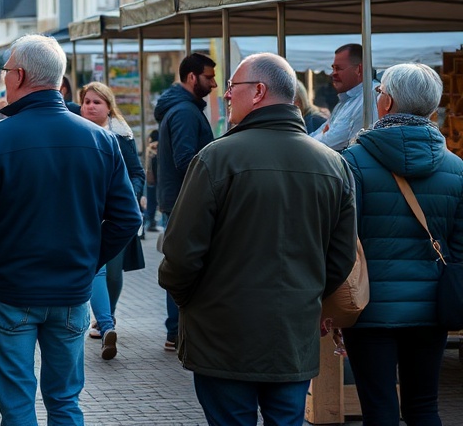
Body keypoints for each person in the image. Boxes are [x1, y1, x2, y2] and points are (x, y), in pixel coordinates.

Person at [159, 53, 357, 426]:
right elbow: (341, 256)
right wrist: (308, 296)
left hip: (222, 334)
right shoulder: (334, 165)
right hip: (292, 334)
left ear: (259, 92)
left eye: (233, 88)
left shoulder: (215, 159)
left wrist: (191, 301)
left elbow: (180, 255)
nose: (227, 95)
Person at [0, 35, 142, 425]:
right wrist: (88, 261)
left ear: (20, 75)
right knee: (64, 401)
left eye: (6, 70)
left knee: (18, 404)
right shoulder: (101, 140)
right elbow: (128, 218)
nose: (3, 78)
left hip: (9, 290)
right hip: (71, 290)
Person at [341, 63, 463, 425]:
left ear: (388, 102)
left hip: (369, 309)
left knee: (379, 409)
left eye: (379, 92)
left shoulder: (354, 161)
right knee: (424, 406)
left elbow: (344, 239)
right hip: (432, 308)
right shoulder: (455, 168)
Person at [78, 80, 146, 360]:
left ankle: (109, 316)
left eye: (97, 102)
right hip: (86, 214)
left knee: (114, 275)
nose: (91, 106)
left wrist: (127, 197)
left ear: (109, 108)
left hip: (115, 217)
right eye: (87, 102)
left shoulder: (121, 137)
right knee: (97, 270)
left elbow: (137, 173)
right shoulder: (75, 132)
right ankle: (105, 323)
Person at [154, 51, 217, 351]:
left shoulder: (183, 108)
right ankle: (177, 331)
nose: (214, 84)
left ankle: (177, 330)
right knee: (182, 266)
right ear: (192, 77)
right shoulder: (183, 112)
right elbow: (186, 160)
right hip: (184, 202)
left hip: (179, 200)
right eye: (209, 77)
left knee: (181, 263)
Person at [311, 43, 370, 151]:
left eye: (338, 68)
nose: (333, 74)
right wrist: (324, 134)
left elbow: (330, 144)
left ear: (359, 69)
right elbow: (317, 137)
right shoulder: (345, 101)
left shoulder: (367, 99)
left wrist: (325, 134)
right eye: (333, 68)